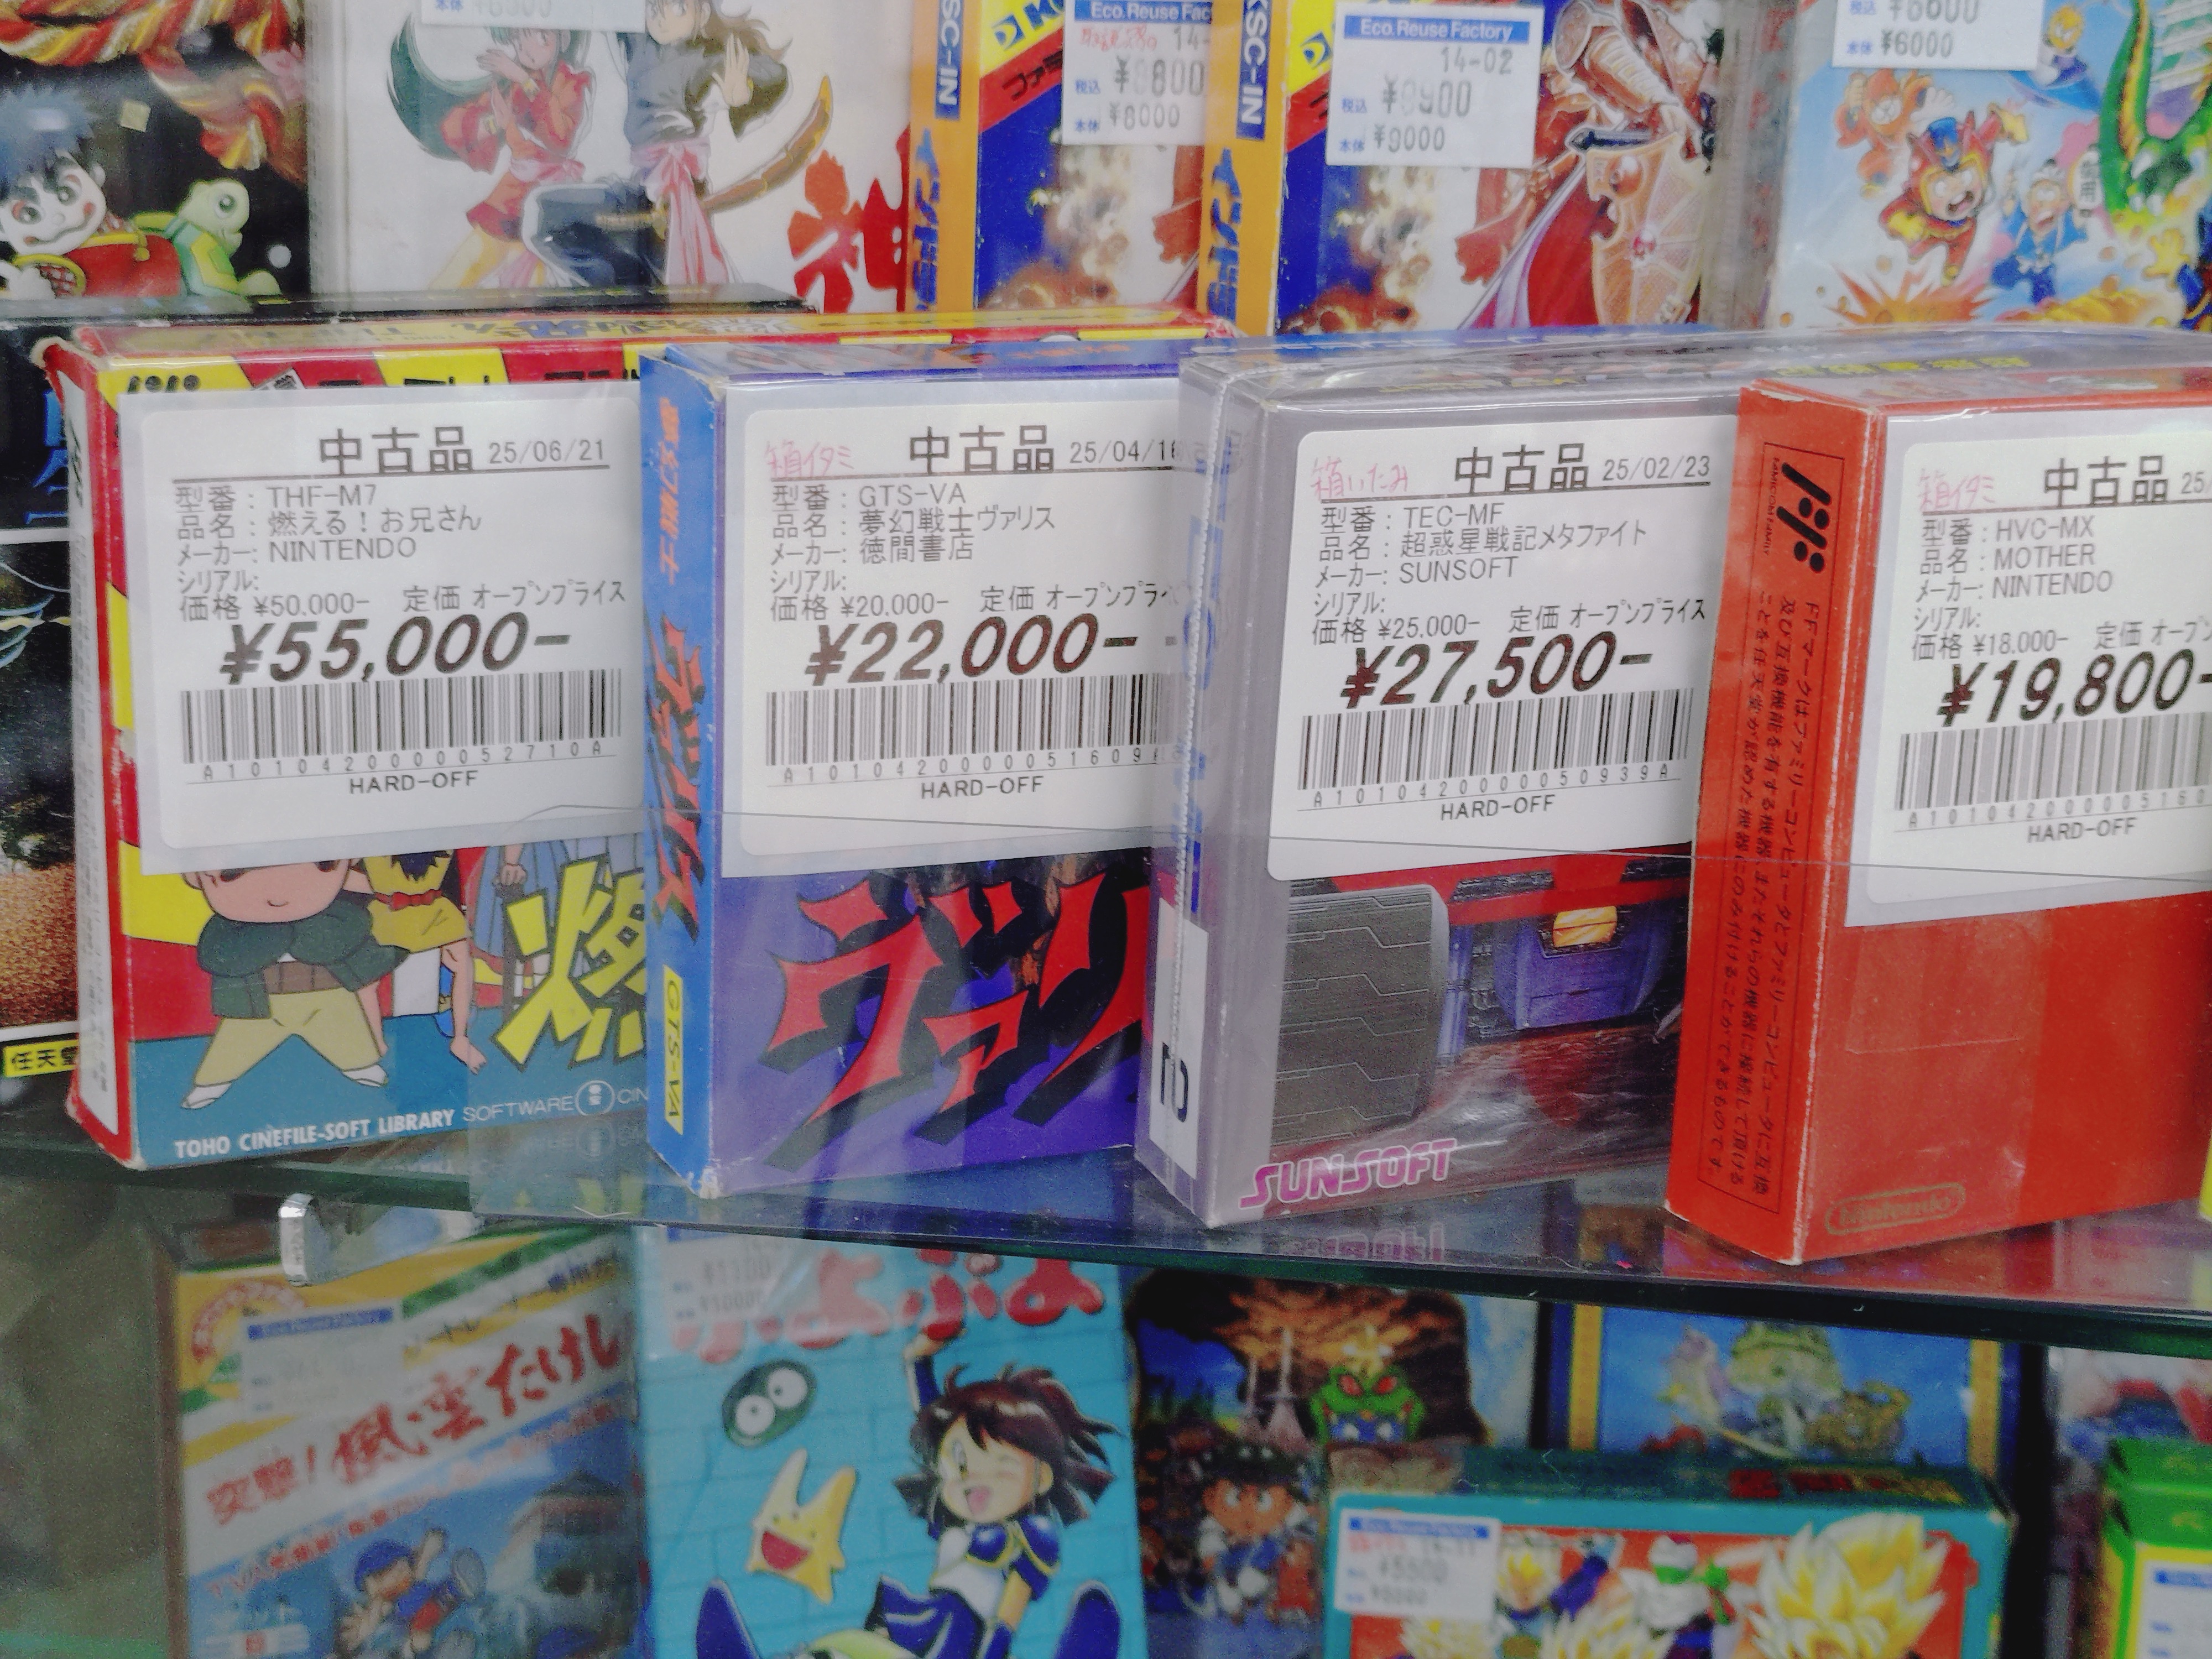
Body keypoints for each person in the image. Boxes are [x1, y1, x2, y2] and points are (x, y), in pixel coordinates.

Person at [180, 861, 404, 1110]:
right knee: (230, 1049)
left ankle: (360, 1066)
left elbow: (344, 939)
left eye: (323, 866)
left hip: (328, 994)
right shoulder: (228, 928)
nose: (278, 896)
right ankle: (211, 1084)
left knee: (351, 1037)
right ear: (196, 877)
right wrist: (276, 933)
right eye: (232, 875)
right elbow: (217, 957)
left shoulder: (340, 916)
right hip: (260, 1003)